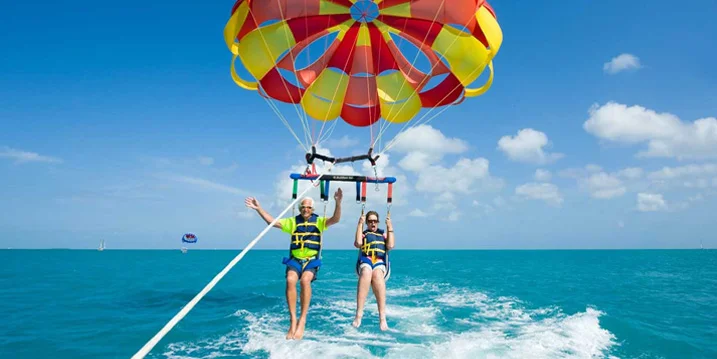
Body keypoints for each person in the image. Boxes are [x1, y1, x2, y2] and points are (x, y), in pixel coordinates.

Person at [244, 188, 342, 340]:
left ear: (313, 209)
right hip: (295, 259)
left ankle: (302, 320)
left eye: (308, 207)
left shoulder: (319, 221)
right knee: (290, 280)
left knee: (305, 281)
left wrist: (338, 202)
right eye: (303, 207)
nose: (305, 209)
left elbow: (335, 219)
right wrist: (259, 208)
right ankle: (293, 320)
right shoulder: (292, 222)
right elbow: (272, 222)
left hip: (311, 260)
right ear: (300, 208)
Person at [352, 210, 394, 330]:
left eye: (375, 221)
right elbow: (358, 243)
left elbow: (390, 246)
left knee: (377, 275)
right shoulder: (364, 234)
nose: (373, 224)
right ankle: (359, 314)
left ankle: (382, 317)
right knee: (366, 272)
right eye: (370, 221)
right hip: (366, 261)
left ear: (378, 222)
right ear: (367, 223)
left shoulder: (384, 235)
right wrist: (359, 224)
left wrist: (390, 227)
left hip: (379, 262)